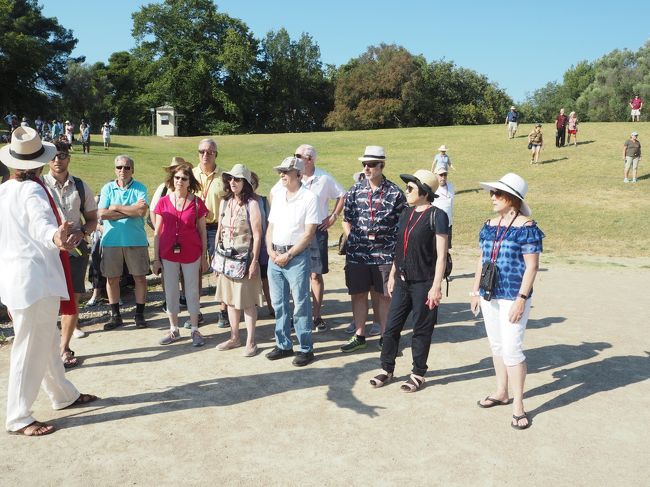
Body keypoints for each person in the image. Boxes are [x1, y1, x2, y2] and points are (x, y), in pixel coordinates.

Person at [0, 126, 97, 436]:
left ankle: (62, 395)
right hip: (35, 280)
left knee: (45, 341)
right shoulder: (32, 190)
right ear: (38, 163)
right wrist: (57, 236)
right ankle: (18, 416)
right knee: (30, 348)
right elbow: (42, 224)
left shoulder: (4, 190)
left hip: (17, 280)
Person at [469, 173, 544, 430]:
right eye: (492, 192)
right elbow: (482, 259)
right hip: (490, 295)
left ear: (512, 199)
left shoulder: (527, 228)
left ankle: (519, 405)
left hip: (514, 296)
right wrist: (475, 291)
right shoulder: (490, 224)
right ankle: (501, 391)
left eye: (497, 193)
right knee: (497, 346)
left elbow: (532, 267)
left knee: (513, 350)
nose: (492, 197)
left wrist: (522, 299)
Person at [369, 169, 448, 392]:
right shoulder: (407, 213)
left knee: (421, 329)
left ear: (424, 191)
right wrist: (393, 274)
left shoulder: (438, 215)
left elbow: (441, 255)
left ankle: (418, 373)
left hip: (425, 282)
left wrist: (436, 287)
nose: (407, 191)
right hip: (403, 281)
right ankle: (387, 369)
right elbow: (399, 248)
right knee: (391, 327)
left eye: (411, 188)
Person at [270, 144, 345, 331]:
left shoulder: (324, 178)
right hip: (295, 233)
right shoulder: (289, 177)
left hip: (316, 231)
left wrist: (333, 216)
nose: (295, 158)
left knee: (315, 274)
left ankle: (316, 316)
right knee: (292, 275)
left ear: (309, 159)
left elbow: (342, 194)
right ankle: (295, 316)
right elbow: (273, 194)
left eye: (298, 156)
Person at [342, 146, 406, 352]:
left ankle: (385, 337)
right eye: (364, 164)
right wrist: (354, 238)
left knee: (384, 295)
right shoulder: (354, 190)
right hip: (357, 254)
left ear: (382, 165)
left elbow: (402, 225)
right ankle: (359, 334)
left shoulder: (395, 193)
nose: (367, 168)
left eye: (371, 164)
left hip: (384, 255)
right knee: (358, 294)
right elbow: (346, 219)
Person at [42, 140, 98, 368]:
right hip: (47, 251)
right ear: (48, 159)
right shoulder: (39, 186)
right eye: (54, 156)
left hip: (76, 250)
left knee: (73, 298)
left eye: (62, 155)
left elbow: (93, 219)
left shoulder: (81, 187)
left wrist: (83, 231)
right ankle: (46, 350)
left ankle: (63, 348)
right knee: (47, 301)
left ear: (69, 158)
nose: (58, 160)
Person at [265, 156, 319, 367]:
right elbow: (271, 227)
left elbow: (308, 234)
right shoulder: (278, 196)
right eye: (281, 172)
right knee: (279, 304)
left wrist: (288, 255)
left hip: (295, 257)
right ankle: (284, 344)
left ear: (298, 174)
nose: (282, 175)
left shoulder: (309, 198)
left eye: (286, 172)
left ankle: (305, 348)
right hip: (275, 255)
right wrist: (269, 250)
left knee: (300, 304)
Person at [152, 163, 208, 347]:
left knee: (192, 291)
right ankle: (173, 328)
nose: (180, 181)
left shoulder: (197, 203)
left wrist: (205, 258)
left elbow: (202, 231)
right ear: (172, 180)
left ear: (189, 181)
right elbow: (157, 232)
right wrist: (156, 258)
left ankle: (194, 329)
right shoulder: (163, 202)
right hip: (168, 253)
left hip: (192, 253)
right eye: (177, 178)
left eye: (184, 178)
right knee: (171, 291)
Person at [214, 164, 263, 356]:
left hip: (244, 259)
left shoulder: (252, 204)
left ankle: (251, 341)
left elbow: (258, 235)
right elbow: (220, 230)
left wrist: (254, 262)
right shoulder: (225, 202)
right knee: (230, 300)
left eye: (237, 179)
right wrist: (216, 257)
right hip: (226, 259)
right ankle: (235, 337)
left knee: (248, 301)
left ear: (245, 182)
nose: (233, 182)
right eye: (231, 179)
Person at [98, 155, 150, 330]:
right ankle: (116, 316)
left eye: (127, 168)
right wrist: (130, 210)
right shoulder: (107, 188)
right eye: (119, 167)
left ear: (132, 170)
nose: (123, 171)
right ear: (115, 169)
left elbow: (141, 211)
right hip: (111, 240)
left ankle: (139, 314)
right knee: (112, 279)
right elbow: (102, 214)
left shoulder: (140, 188)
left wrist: (116, 207)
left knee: (140, 278)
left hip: (136, 240)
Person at [193, 138, 228, 327]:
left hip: (217, 227)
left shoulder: (224, 177)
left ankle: (223, 311)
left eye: (210, 152)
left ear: (216, 155)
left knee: (221, 270)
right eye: (202, 151)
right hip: (194, 228)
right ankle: (195, 312)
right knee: (194, 271)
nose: (205, 155)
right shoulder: (190, 175)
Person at [250, 171, 274, 317]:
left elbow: (270, 223)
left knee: (266, 279)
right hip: (246, 248)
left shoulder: (263, 201)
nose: (250, 186)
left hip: (263, 247)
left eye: (253, 183)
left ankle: (272, 307)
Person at [432, 166, 455, 248]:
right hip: (436, 226)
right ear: (435, 176)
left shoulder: (451, 186)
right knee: (436, 248)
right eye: (441, 175)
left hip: (448, 224)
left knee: (447, 248)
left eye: (445, 175)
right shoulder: (432, 188)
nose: (443, 177)